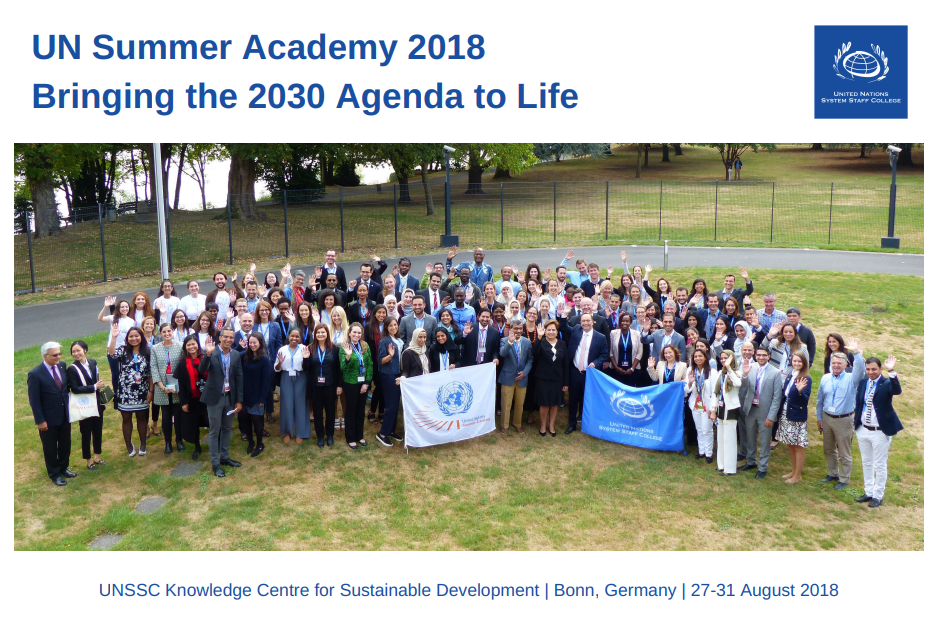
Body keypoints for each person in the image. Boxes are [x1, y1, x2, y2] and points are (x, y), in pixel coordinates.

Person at [853, 355, 902, 508]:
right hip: (863, 429)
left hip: (880, 431)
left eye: (874, 369)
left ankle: (878, 495)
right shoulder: (863, 382)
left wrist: (892, 371)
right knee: (866, 461)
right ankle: (868, 491)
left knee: (879, 464)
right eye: (868, 369)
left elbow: (896, 390)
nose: (870, 372)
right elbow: (859, 402)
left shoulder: (886, 383)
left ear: (880, 369)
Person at [816, 341, 865, 488]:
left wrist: (857, 353)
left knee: (844, 452)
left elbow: (860, 369)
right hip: (827, 417)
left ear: (845, 365)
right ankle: (832, 473)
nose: (836, 365)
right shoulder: (825, 378)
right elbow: (820, 399)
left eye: (839, 363)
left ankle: (844, 479)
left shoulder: (851, 379)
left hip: (843, 420)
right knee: (828, 448)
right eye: (834, 363)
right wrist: (819, 418)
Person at [28, 342, 76, 486]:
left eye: (59, 354)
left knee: (65, 444)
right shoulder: (35, 374)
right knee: (50, 447)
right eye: (55, 355)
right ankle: (54, 474)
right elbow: (34, 400)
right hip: (48, 418)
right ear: (45, 356)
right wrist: (40, 421)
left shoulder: (62, 366)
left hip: (64, 415)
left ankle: (63, 467)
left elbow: (65, 389)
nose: (58, 357)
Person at [200, 329, 244, 478]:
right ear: (220, 338)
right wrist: (207, 354)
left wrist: (239, 400)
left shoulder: (236, 354)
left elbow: (239, 378)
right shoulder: (211, 351)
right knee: (214, 431)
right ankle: (215, 464)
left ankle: (224, 458)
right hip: (215, 398)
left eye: (231, 337)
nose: (228, 339)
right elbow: (202, 369)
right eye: (225, 336)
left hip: (230, 398)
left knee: (227, 428)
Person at [560, 310, 609, 434]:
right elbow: (563, 327)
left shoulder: (600, 337)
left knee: (586, 398)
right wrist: (563, 315)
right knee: (573, 399)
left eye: (588, 320)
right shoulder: (576, 330)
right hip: (575, 371)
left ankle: (585, 422)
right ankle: (572, 424)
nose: (585, 323)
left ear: (593, 322)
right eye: (583, 321)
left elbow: (604, 354)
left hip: (590, 374)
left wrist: (596, 363)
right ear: (580, 322)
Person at [107, 324, 152, 457]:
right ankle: (129, 445)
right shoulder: (123, 350)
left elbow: (150, 374)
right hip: (125, 392)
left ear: (141, 337)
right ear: (127, 338)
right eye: (131, 336)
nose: (134, 338)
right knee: (126, 418)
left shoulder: (147, 352)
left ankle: (143, 444)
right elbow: (112, 354)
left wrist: (151, 391)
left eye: (137, 336)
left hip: (142, 391)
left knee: (141, 417)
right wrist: (114, 337)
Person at [743, 346, 785, 478]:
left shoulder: (775, 372)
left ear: (769, 356)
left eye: (764, 355)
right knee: (750, 437)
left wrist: (771, 416)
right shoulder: (750, 367)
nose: (761, 357)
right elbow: (744, 387)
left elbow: (777, 397)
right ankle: (751, 461)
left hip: (765, 411)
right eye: (759, 355)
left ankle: (762, 467)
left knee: (765, 440)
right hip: (750, 408)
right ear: (755, 355)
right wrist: (744, 375)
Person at [66, 340, 107, 471]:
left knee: (98, 430)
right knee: (86, 432)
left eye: (78, 350)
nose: (76, 353)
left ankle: (97, 456)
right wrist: (94, 386)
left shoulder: (93, 362)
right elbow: (75, 389)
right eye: (73, 351)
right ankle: (88, 460)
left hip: (97, 403)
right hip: (84, 405)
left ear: (85, 350)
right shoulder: (72, 369)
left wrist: (98, 384)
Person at [775, 348, 811, 484]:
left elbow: (805, 399)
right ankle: (793, 471)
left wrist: (800, 391)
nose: (796, 363)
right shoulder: (791, 374)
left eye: (799, 361)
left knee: (797, 445)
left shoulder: (806, 378)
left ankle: (797, 475)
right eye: (794, 360)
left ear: (804, 362)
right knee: (790, 444)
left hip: (796, 415)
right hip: (786, 413)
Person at [304, 324, 342, 448]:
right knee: (317, 412)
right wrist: (305, 359)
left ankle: (329, 434)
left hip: (330, 385)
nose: (321, 334)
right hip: (315, 386)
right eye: (318, 332)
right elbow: (306, 369)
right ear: (315, 334)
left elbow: (338, 369)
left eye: (323, 332)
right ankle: (320, 435)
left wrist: (339, 385)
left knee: (330, 411)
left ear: (327, 334)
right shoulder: (310, 348)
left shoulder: (334, 348)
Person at [173, 334, 210, 460]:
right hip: (193, 399)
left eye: (193, 344)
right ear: (185, 347)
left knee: (211, 420)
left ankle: (216, 444)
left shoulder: (206, 358)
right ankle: (197, 446)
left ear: (198, 345)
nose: (191, 346)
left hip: (207, 398)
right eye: (188, 345)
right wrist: (183, 402)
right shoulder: (183, 363)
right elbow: (182, 385)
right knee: (193, 423)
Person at [150, 323, 185, 455]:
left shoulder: (180, 346)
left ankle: (179, 441)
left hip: (177, 386)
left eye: (169, 331)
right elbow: (153, 367)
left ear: (173, 331)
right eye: (164, 332)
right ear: (160, 333)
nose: (167, 334)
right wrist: (161, 386)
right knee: (165, 417)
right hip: (162, 387)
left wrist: (179, 385)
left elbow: (183, 366)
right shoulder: (155, 348)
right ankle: (168, 442)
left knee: (178, 416)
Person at [497, 318, 534, 435]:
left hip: (522, 378)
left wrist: (525, 372)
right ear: (511, 329)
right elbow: (502, 353)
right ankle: (504, 425)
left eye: (520, 328)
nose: (518, 331)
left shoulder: (527, 342)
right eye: (516, 328)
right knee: (506, 404)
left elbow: (530, 359)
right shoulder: (504, 340)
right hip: (508, 378)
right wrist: (510, 342)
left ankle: (517, 423)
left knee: (519, 404)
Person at [531, 320, 568, 437]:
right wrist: (539, 337)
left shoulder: (562, 344)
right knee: (544, 404)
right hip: (543, 378)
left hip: (557, 379)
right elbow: (534, 353)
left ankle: (551, 425)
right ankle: (543, 425)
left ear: (557, 332)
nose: (551, 332)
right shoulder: (541, 342)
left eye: (553, 330)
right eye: (549, 330)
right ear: (545, 331)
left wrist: (566, 382)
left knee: (554, 404)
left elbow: (565, 364)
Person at [341, 323, 374, 450]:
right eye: (354, 332)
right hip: (350, 383)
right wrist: (348, 356)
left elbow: (370, 365)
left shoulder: (365, 346)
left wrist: (367, 383)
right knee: (351, 410)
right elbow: (343, 367)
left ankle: (359, 436)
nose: (356, 335)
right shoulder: (344, 347)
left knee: (361, 410)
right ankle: (350, 437)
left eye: (359, 333)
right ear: (349, 333)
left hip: (363, 383)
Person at [275, 328, 310, 445]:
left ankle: (301, 432)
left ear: (300, 338)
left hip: (301, 376)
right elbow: (276, 368)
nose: (294, 339)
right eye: (292, 336)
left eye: (297, 336)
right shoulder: (282, 349)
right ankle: (287, 432)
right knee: (286, 404)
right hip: (286, 377)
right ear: (288, 336)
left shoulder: (304, 348)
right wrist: (280, 362)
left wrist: (306, 357)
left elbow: (307, 366)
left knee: (301, 404)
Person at [375, 319, 406, 447]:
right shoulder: (384, 341)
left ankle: (391, 431)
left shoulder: (398, 340)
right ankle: (382, 434)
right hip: (388, 375)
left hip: (398, 373)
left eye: (395, 325)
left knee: (395, 404)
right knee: (391, 405)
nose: (393, 327)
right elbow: (380, 361)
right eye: (390, 325)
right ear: (386, 327)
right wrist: (389, 356)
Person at [712, 350, 743, 476]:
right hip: (720, 407)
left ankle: (730, 468)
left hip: (731, 408)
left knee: (729, 439)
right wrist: (713, 409)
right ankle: (721, 465)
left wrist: (729, 368)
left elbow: (738, 383)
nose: (723, 361)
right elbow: (716, 392)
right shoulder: (720, 373)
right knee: (720, 438)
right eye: (722, 358)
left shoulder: (736, 373)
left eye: (727, 358)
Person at [241, 333, 272, 457]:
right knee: (246, 420)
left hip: (257, 395)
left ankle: (260, 444)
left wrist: (262, 398)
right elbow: (233, 355)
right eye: (250, 343)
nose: (252, 345)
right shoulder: (245, 356)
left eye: (255, 342)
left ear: (260, 343)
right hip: (245, 395)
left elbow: (266, 381)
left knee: (257, 421)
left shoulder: (264, 359)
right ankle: (251, 442)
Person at [685, 348, 717, 463]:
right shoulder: (690, 370)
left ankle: (709, 453)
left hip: (707, 405)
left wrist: (713, 408)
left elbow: (715, 392)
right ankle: (701, 451)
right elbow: (686, 391)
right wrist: (689, 382)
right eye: (695, 356)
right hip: (695, 404)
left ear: (705, 357)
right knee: (699, 429)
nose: (698, 358)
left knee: (707, 429)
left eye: (700, 356)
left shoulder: (712, 372)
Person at [609, 313, 642, 387]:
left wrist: (632, 369)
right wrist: (616, 367)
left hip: (633, 369)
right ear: (620, 322)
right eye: (623, 321)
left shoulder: (637, 334)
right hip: (616, 369)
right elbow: (610, 352)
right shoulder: (613, 333)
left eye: (627, 321)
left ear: (630, 322)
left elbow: (639, 353)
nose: (625, 323)